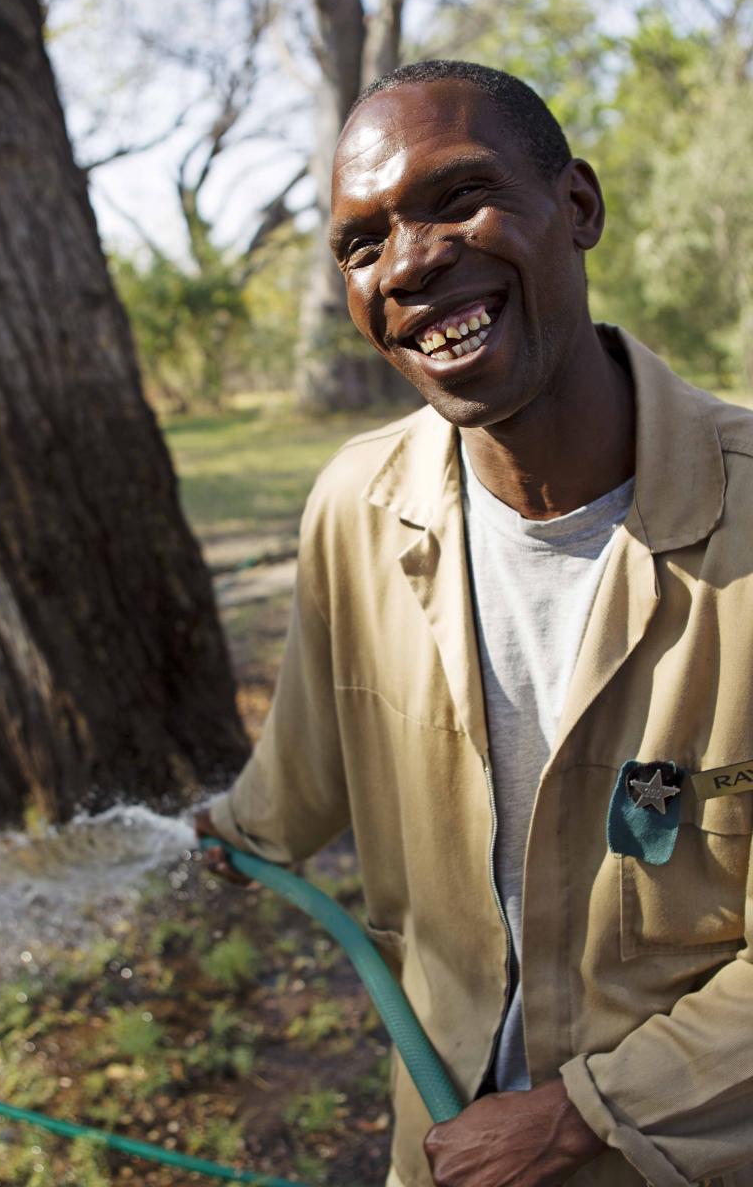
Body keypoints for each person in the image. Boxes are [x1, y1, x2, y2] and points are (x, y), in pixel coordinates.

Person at [195, 60, 753, 1187]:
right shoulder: (355, 508)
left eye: (457, 198)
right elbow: (302, 768)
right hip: (439, 1145)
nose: (408, 261)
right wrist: (210, 843)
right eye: (360, 243)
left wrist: (576, 1118)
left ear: (577, 209)